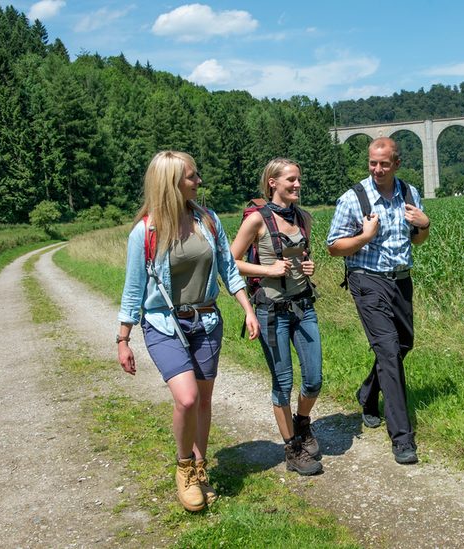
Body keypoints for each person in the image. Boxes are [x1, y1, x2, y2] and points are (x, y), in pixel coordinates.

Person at [117, 150, 259, 512]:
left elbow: (229, 268)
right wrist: (123, 338)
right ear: (172, 183)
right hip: (164, 324)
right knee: (187, 398)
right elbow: (133, 289)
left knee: (205, 400)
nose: (199, 182)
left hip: (207, 321)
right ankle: (184, 468)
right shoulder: (145, 232)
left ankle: (200, 466)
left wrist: (247, 309)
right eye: (192, 177)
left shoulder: (208, 221)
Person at [326, 137, 430, 464]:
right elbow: (333, 246)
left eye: (384, 163)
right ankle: (402, 438)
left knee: (403, 345)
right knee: (387, 349)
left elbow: (419, 240)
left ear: (397, 164)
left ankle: (368, 395)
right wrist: (365, 237)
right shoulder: (354, 199)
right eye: (373, 162)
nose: (377, 169)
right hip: (367, 280)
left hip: (401, 279)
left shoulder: (410, 194)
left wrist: (425, 226)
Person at [229, 158, 323, 476]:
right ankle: (292, 448)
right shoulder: (257, 220)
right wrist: (267, 269)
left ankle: (302, 422)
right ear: (273, 183)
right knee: (283, 383)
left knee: (313, 379)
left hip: (304, 307)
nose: (297, 184)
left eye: (299, 179)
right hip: (271, 311)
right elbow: (231, 262)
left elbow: (304, 258)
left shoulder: (304, 218)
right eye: (291, 180)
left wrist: (309, 267)